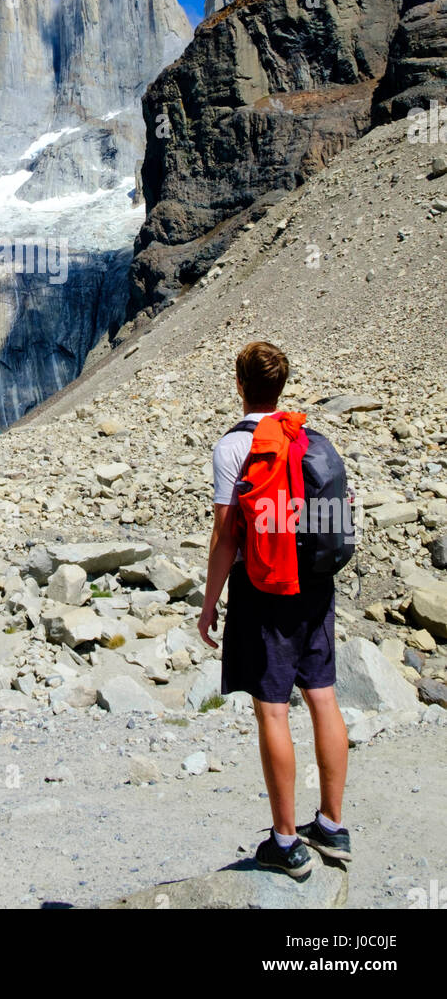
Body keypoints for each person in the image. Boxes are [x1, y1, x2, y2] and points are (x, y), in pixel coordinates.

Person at [197, 341, 351, 878]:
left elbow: (225, 536)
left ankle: (285, 842)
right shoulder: (305, 436)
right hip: (315, 586)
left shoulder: (233, 448)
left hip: (265, 588)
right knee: (323, 698)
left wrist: (209, 601)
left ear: (240, 386)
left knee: (273, 709)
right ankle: (332, 826)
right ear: (280, 386)